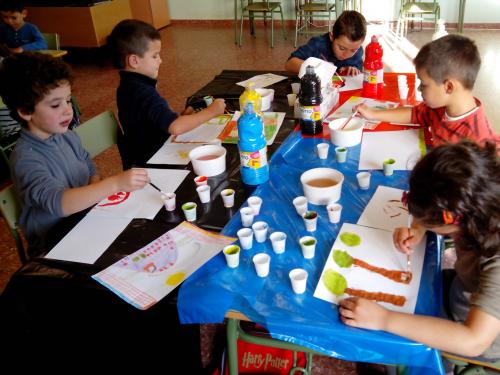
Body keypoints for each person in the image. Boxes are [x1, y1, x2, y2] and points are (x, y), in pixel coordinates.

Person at [339, 140, 500, 361]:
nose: (420, 219)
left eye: (426, 219)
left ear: (452, 219)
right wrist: (418, 227)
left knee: (379, 334)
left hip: (473, 333)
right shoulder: (480, 199)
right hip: (460, 292)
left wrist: (384, 319)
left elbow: (473, 341)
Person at [0, 52, 149, 257]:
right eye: (55, 105)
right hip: (54, 247)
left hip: (85, 222)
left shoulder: (67, 136)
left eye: (68, 100)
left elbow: (89, 169)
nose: (67, 111)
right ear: (25, 111)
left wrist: (96, 196)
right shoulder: (26, 159)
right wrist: (114, 184)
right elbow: (58, 203)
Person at [107, 19, 226, 169]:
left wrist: (181, 118)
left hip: (151, 152)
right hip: (153, 162)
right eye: (155, 56)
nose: (161, 61)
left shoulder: (129, 85)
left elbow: (152, 120)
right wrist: (212, 111)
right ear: (134, 61)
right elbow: (175, 127)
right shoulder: (141, 91)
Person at [357, 34, 500, 148]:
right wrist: (373, 114)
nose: (419, 88)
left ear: (449, 87)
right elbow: (416, 114)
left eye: (424, 84)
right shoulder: (442, 106)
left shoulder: (478, 141)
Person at [285, 10, 367, 76]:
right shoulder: (318, 44)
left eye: (353, 50)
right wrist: (315, 69)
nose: (346, 55)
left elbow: (358, 70)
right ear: (332, 36)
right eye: (342, 48)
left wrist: (353, 70)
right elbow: (289, 64)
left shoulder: (358, 50)